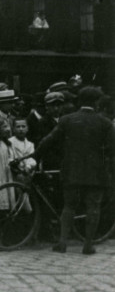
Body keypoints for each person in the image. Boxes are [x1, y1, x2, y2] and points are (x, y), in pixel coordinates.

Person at [35, 86, 115, 255]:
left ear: (80, 101)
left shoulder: (67, 119)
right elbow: (111, 149)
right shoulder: (105, 123)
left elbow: (48, 140)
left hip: (71, 170)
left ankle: (62, 243)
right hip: (96, 172)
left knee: (69, 205)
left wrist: (34, 155)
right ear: (97, 103)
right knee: (93, 207)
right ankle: (88, 245)